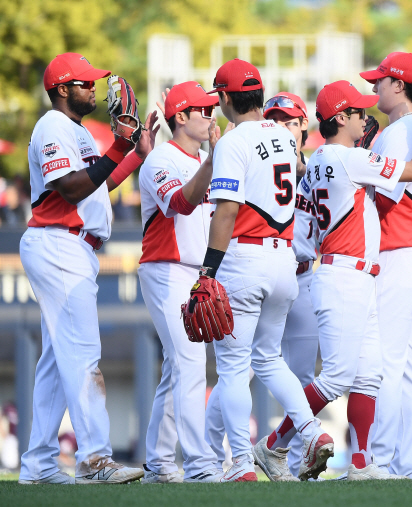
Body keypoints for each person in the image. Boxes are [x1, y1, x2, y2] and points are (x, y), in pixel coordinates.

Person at [262, 79, 412, 481]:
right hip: (344, 275)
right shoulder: (346, 158)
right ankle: (272, 445)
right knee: (337, 378)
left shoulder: (319, 159)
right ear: (341, 117)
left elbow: (307, 229)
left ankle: (362, 464)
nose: (367, 117)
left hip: (349, 273)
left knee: (369, 375)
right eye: (359, 112)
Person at [19, 52, 158, 484]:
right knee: (82, 357)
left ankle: (39, 465)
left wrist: (135, 153)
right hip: (59, 242)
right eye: (85, 83)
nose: (94, 88)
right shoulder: (53, 126)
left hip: (71, 244)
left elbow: (99, 185)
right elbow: (72, 187)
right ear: (62, 89)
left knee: (56, 363)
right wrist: (118, 144)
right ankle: (95, 458)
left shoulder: (74, 130)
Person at [196, 59, 333, 482]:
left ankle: (240, 462)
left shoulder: (233, 142)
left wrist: (207, 271)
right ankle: (310, 431)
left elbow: (226, 212)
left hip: (245, 256)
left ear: (222, 99)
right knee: (270, 359)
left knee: (234, 368)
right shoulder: (284, 137)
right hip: (283, 262)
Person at [138, 81, 226, 483]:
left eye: (211, 108)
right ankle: (200, 464)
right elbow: (180, 203)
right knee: (189, 364)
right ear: (180, 117)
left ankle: (158, 463)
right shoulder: (160, 160)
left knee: (178, 369)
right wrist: (213, 161)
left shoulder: (207, 156)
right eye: (202, 109)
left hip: (197, 273)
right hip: (166, 268)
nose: (210, 114)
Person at [359, 52, 412, 480]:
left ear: (398, 86)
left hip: (397, 248)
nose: (375, 88)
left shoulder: (398, 131)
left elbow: (381, 198)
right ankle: (410, 464)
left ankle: (382, 460)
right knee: (408, 365)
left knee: (387, 362)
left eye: (380, 81)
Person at [251, 92, 320, 480]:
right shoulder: (259, 167)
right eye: (274, 120)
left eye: (290, 122)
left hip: (304, 275)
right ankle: (212, 461)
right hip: (265, 277)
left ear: (304, 130)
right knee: (240, 370)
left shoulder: (319, 169)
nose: (282, 127)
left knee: (304, 377)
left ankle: (297, 463)